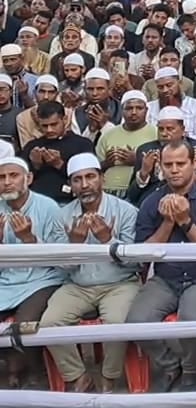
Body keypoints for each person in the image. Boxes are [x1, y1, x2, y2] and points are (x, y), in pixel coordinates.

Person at [126, 140, 196, 392]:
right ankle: (171, 364)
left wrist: (185, 222)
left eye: (180, 163)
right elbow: (143, 254)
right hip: (166, 277)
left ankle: (190, 371)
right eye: (168, 164)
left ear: (193, 164)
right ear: (160, 167)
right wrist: (167, 223)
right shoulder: (151, 202)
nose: (174, 170)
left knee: (192, 320)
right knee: (136, 321)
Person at [40, 154, 139, 393]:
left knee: (117, 323)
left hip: (120, 283)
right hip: (77, 285)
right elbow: (60, 267)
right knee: (49, 323)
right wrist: (75, 245)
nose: (85, 185)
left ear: (102, 179)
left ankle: (109, 376)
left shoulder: (126, 211)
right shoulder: (62, 216)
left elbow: (136, 264)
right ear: (71, 185)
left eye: (90, 177)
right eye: (77, 180)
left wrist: (108, 241)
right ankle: (78, 376)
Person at [0, 156, 67, 387]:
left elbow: (62, 257)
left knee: (25, 325)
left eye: (13, 176)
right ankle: (12, 366)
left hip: (43, 279)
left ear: (28, 179)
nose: (7, 182)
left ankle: (35, 373)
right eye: (1, 177)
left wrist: (29, 239)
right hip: (6, 280)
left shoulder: (48, 207)